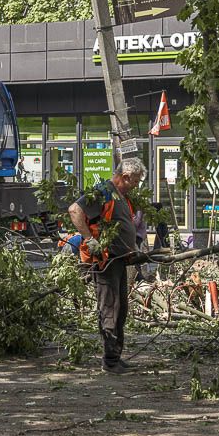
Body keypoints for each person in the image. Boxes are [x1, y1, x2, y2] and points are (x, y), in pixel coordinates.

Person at [68, 158, 147, 374]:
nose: (137, 185)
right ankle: (109, 362)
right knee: (110, 308)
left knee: (121, 309)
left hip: (120, 260)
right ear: (126, 177)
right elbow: (74, 210)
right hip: (106, 261)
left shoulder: (122, 196)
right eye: (136, 181)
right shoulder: (103, 191)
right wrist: (88, 239)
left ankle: (115, 356)